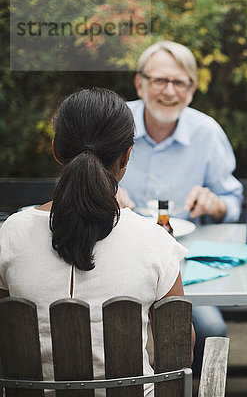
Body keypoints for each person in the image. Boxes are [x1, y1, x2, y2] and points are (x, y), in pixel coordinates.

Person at [0, 88, 193, 394]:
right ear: (127, 155)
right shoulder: (154, 242)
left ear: (55, 150)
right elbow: (180, 340)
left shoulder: (10, 235)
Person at [117, 41, 241, 379]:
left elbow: (233, 200)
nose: (169, 91)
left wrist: (215, 205)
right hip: (116, 262)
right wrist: (104, 194)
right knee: (111, 329)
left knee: (212, 327)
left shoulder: (207, 132)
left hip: (185, 268)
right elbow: (78, 180)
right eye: (159, 81)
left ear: (192, 89)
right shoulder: (114, 122)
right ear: (140, 83)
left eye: (180, 82)